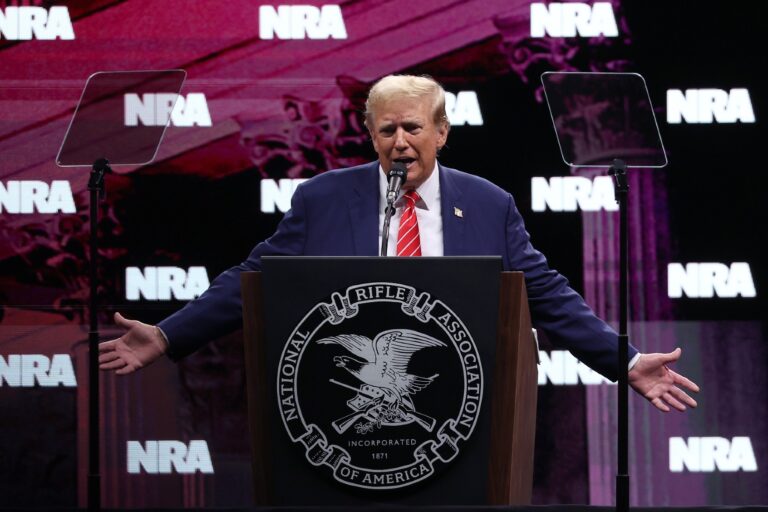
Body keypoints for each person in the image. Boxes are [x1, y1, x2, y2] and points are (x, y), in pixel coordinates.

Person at [99, 74, 699, 413]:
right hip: (344, 415)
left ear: (441, 132)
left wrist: (624, 361)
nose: (400, 141)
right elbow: (249, 280)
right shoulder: (322, 200)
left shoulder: (488, 204)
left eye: (413, 127)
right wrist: (168, 334)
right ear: (370, 134)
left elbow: (548, 295)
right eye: (386, 129)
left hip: (459, 408)